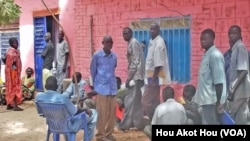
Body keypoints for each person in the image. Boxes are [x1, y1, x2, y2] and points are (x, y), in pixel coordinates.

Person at [35, 76, 97, 141]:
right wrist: (85, 109)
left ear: (45, 86)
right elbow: (75, 112)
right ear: (57, 86)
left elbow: (41, 113)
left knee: (66, 116)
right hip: (69, 126)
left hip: (52, 125)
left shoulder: (38, 97)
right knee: (94, 113)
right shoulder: (63, 98)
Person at [193, 29, 226, 124]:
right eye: (201, 39)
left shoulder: (215, 56)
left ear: (212, 39)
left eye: (205, 39)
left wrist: (218, 103)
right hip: (206, 101)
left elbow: (219, 82)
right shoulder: (207, 55)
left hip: (212, 102)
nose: (202, 41)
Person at [90, 35, 117, 141]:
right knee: (101, 112)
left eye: (111, 42)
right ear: (103, 43)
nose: (109, 44)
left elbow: (113, 69)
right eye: (107, 42)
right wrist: (96, 85)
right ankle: (100, 135)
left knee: (111, 113)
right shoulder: (97, 56)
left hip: (112, 88)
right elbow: (93, 71)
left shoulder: (114, 57)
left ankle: (109, 133)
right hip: (101, 88)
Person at [142, 23, 171, 120]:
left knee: (145, 101)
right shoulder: (152, 41)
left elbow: (158, 64)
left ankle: (154, 119)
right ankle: (159, 120)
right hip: (151, 75)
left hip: (153, 76)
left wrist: (153, 79)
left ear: (158, 31)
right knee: (155, 101)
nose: (151, 31)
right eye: (150, 29)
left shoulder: (159, 43)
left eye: (153, 29)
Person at [118, 27, 145, 131]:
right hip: (139, 77)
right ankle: (139, 124)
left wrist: (129, 78)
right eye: (123, 34)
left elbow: (135, 62)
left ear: (131, 34)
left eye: (127, 34)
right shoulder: (133, 43)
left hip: (136, 77)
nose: (125, 35)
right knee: (137, 101)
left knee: (129, 100)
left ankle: (124, 125)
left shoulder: (133, 43)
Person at [226, 25, 250, 124]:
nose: (231, 35)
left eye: (234, 33)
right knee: (242, 119)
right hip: (243, 92)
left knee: (229, 113)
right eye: (230, 33)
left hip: (238, 91)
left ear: (240, 35)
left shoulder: (240, 47)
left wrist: (232, 89)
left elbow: (243, 71)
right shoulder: (235, 49)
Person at [5, 37, 23, 111]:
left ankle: (9, 104)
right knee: (14, 87)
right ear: (11, 44)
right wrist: (15, 73)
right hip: (13, 73)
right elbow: (13, 64)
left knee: (9, 87)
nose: (16, 44)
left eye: (17, 42)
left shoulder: (10, 51)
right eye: (14, 43)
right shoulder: (12, 52)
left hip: (10, 72)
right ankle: (15, 106)